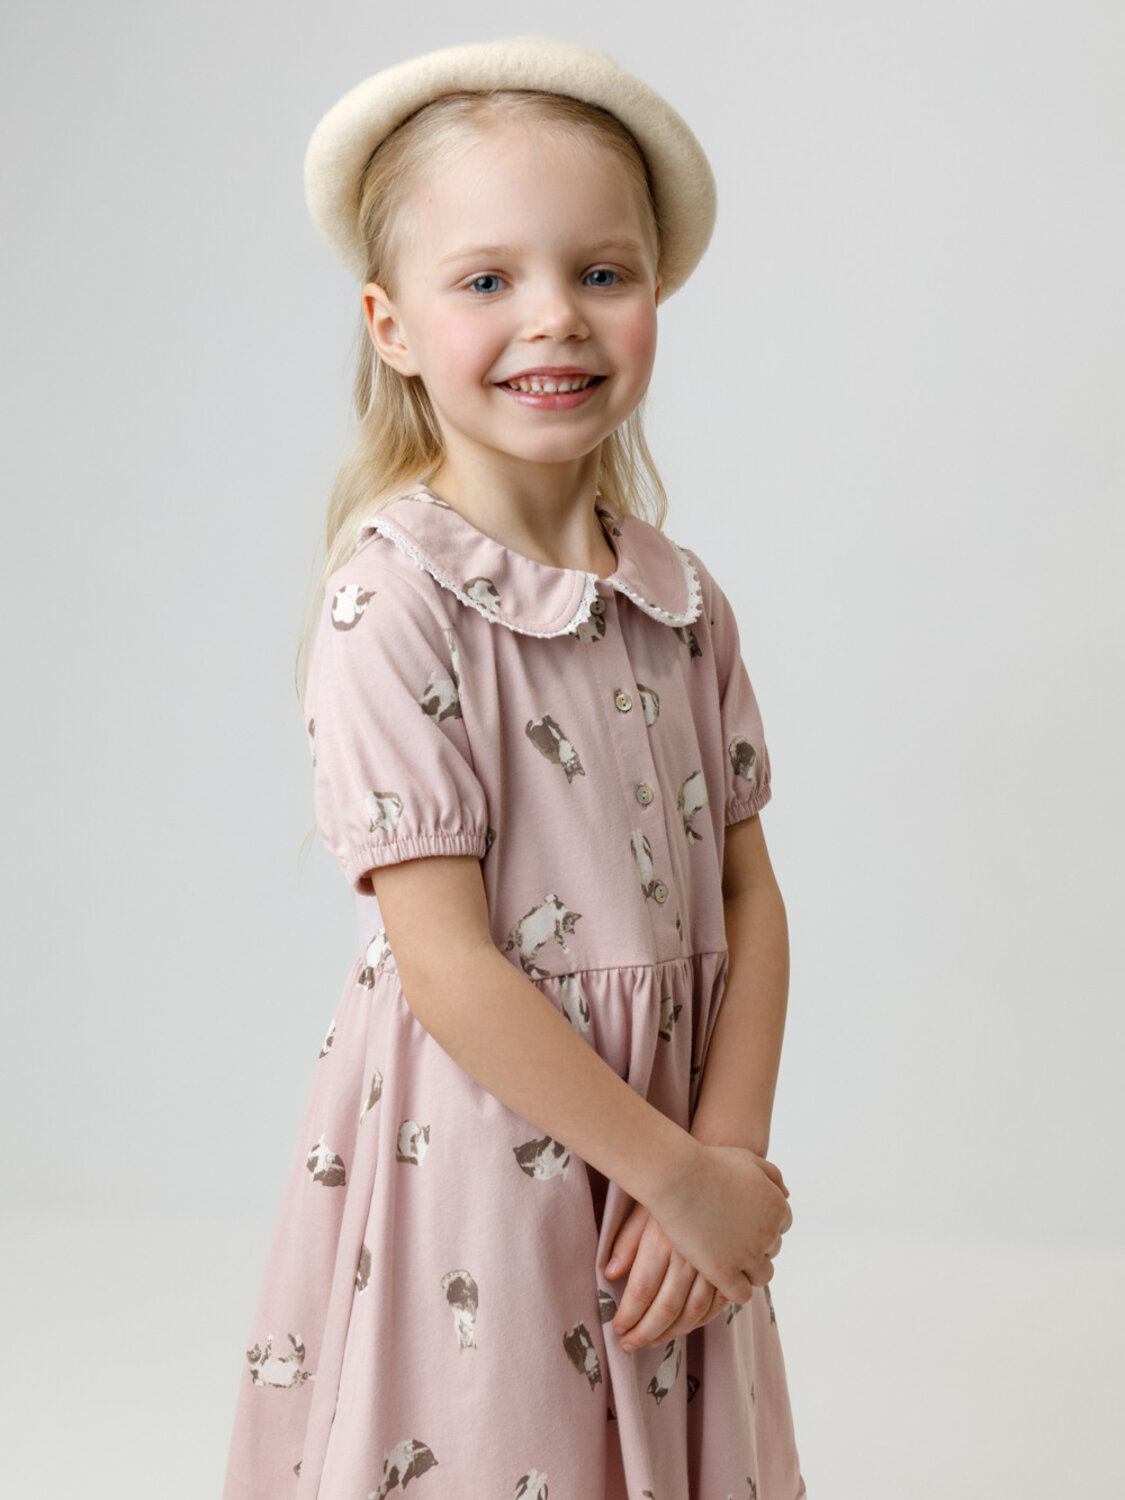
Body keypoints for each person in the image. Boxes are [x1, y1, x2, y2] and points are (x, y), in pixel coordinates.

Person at [222, 35, 807, 1500]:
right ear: (392, 325)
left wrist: (722, 1164)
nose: (554, 316)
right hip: (490, 1156)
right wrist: (669, 1174)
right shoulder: (395, 599)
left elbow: (749, 893)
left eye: (600, 273)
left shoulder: (680, 600)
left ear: (653, 294)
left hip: (675, 1149)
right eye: (486, 280)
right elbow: (449, 965)